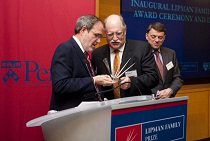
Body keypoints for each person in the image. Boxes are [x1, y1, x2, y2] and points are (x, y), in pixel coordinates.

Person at [50, 15, 114, 111]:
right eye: (96, 35)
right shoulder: (66, 49)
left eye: (101, 37)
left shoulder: (84, 53)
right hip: (69, 117)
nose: (99, 41)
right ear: (83, 30)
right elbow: (60, 85)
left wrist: (102, 99)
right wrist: (94, 80)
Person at [92, 14, 158, 99]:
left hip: (135, 105)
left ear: (125, 32)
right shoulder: (97, 54)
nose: (115, 38)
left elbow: (153, 77)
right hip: (109, 107)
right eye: (110, 34)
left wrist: (132, 81)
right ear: (105, 34)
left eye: (119, 33)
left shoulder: (142, 48)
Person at [145, 22, 183, 99]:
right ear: (146, 36)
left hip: (168, 100)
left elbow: (178, 78)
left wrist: (170, 90)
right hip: (149, 102)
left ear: (164, 38)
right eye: (153, 36)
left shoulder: (171, 53)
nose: (156, 40)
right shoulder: (140, 54)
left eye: (160, 37)